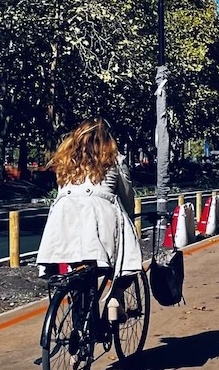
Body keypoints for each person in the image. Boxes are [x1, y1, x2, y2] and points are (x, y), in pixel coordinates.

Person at [36, 119, 143, 319]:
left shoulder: (66, 161)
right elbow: (127, 196)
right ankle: (115, 298)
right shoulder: (114, 159)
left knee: (78, 271)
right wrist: (127, 216)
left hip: (64, 219)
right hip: (101, 216)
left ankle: (80, 323)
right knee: (128, 263)